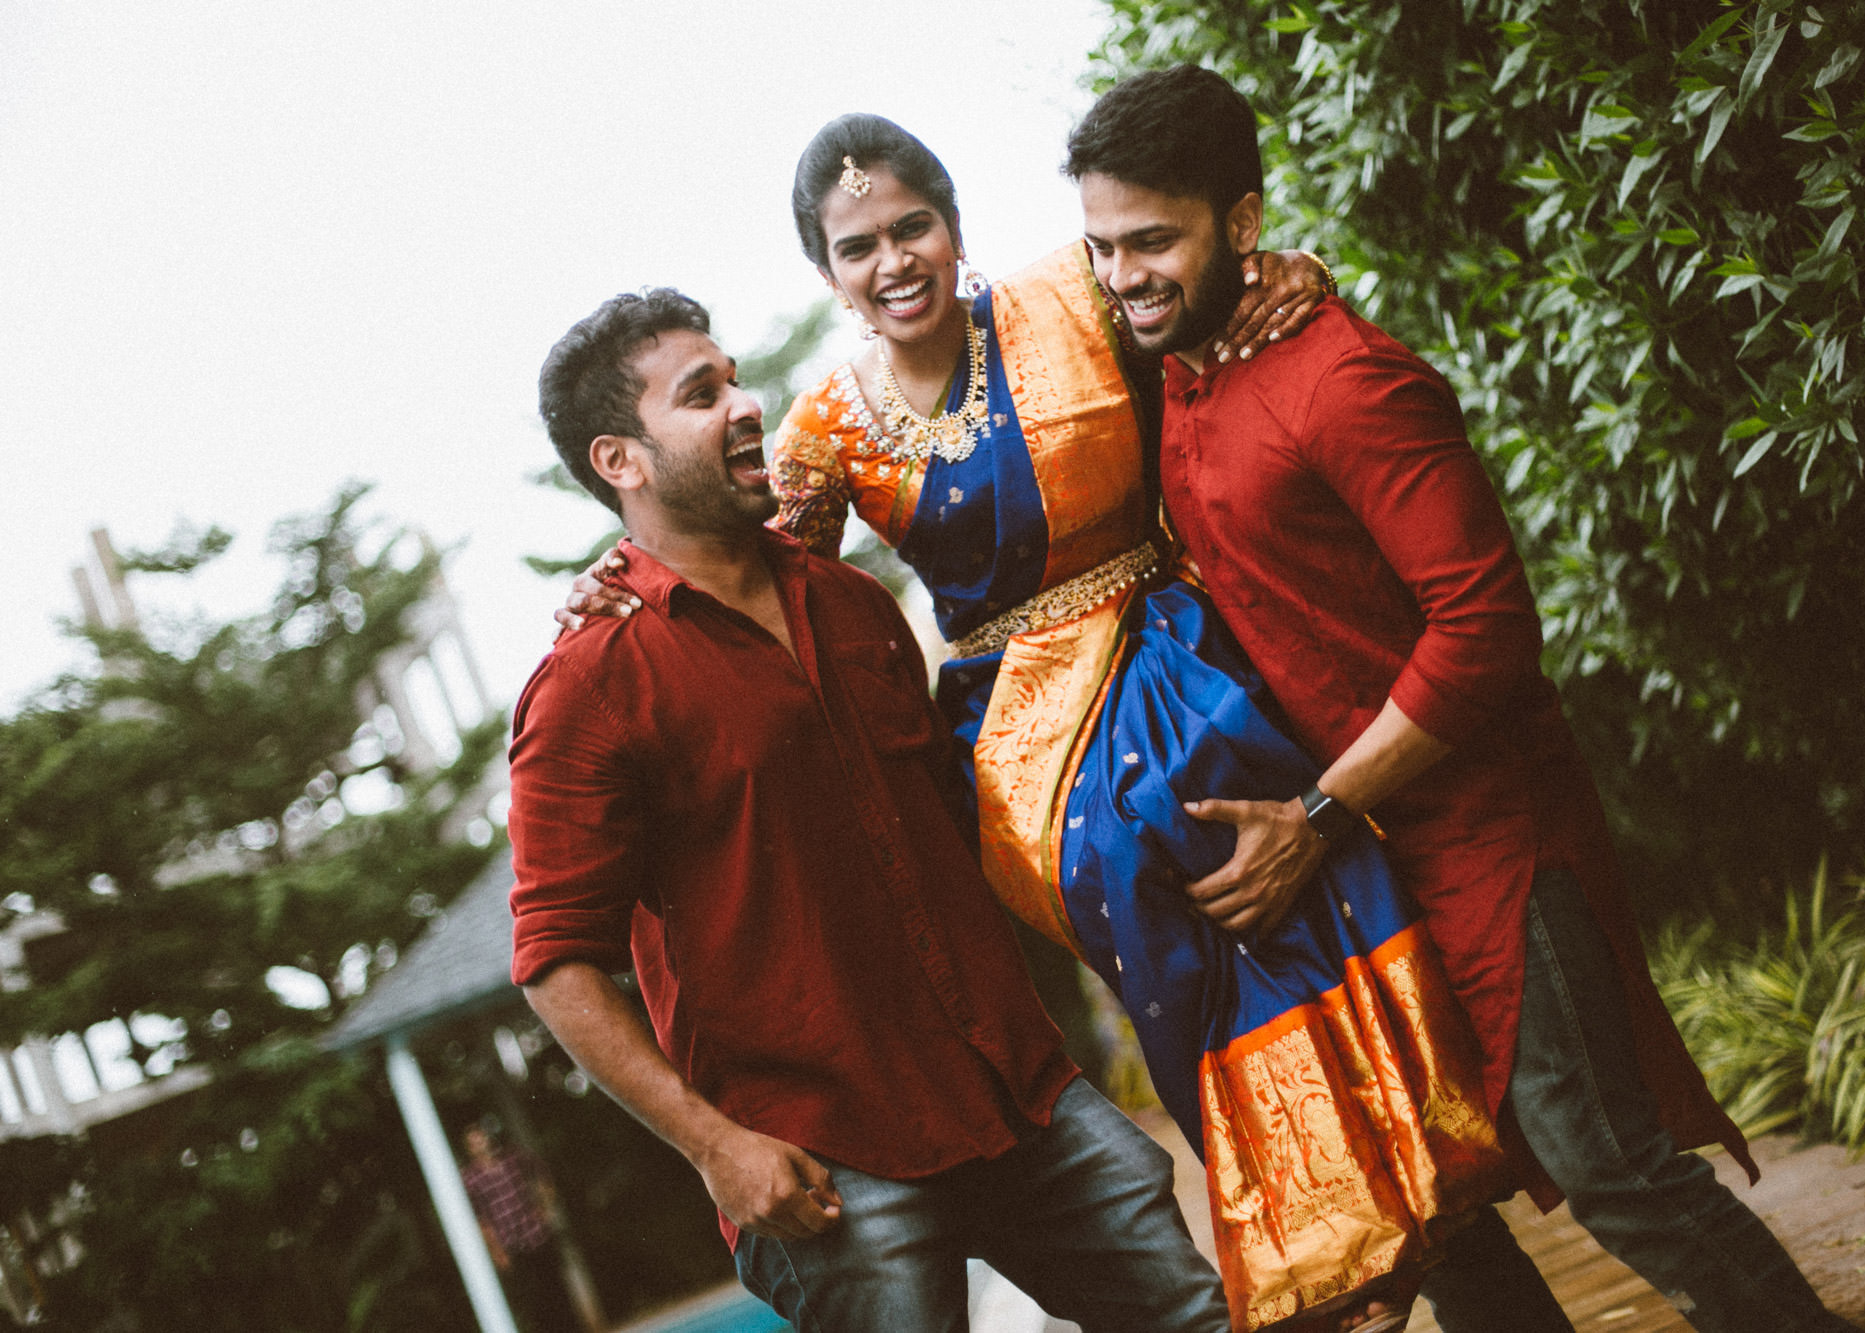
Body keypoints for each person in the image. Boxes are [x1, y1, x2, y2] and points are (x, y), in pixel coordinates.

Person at [572, 115, 1512, 1332]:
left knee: (1330, 929)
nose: (894, 259)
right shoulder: (822, 431)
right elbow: (730, 562)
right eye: (858, 246)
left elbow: (1198, 311)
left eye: (913, 225)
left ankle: (1438, 1209)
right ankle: (1325, 1271)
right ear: (826, 275)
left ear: (955, 226)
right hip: (1037, 759)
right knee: (1192, 992)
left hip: (1204, 677)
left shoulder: (1073, 294)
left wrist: (1292, 274)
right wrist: (617, 571)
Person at [1059, 64, 1862, 1333]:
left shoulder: (1349, 381)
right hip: (1359, 860)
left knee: (1609, 1165)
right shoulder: (1179, 360)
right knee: (1430, 1184)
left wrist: (1318, 812)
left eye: (1153, 239)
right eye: (1101, 245)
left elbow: (1485, 631)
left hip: (1487, 833)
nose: (1121, 274)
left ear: (1247, 222)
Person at [508, 286, 1232, 1331]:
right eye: (701, 394)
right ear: (620, 461)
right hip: (823, 1167)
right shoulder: (589, 683)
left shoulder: (853, 606)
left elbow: (960, 823)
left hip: (1015, 1096)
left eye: (737, 377)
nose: (746, 404)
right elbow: (553, 964)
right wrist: (717, 1147)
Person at [458, 1124, 576, 1333]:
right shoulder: (470, 1179)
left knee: (557, 1291)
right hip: (511, 1245)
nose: (480, 1144)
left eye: (481, 1138)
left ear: (488, 1138)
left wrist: (546, 1207)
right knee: (535, 1301)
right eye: (473, 1143)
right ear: (469, 1148)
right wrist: (496, 1251)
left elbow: (541, 1172)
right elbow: (480, 1220)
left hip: (537, 1234)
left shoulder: (512, 1158)